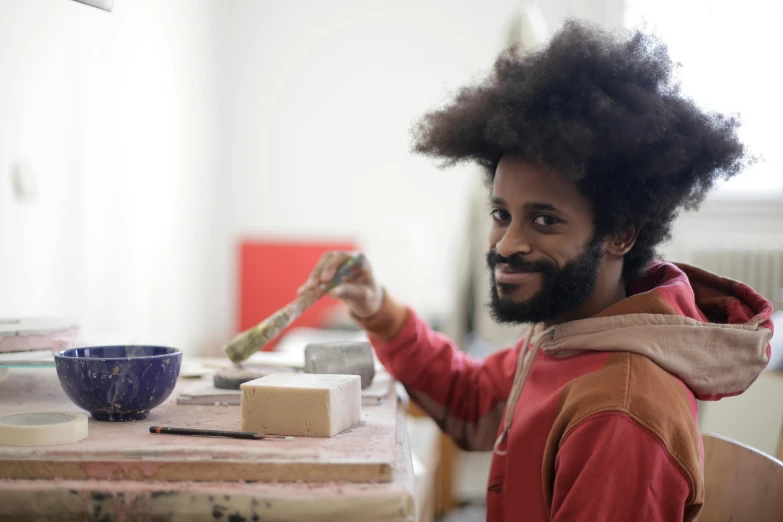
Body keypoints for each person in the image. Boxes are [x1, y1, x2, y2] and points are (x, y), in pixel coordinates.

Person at [298, 20, 774, 522]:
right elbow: (474, 399)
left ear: (620, 235)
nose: (507, 244)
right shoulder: (570, 333)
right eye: (501, 214)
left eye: (544, 220)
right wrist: (379, 310)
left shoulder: (621, 413)